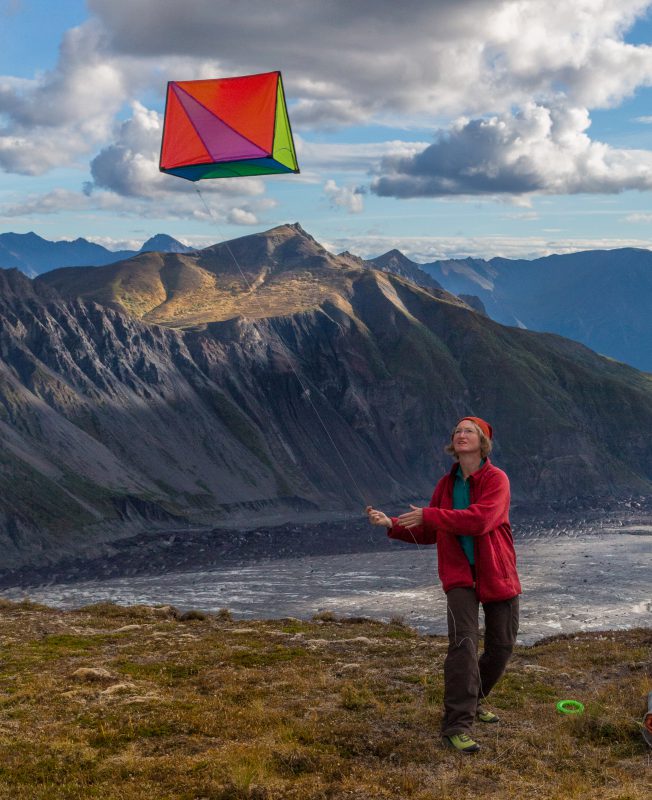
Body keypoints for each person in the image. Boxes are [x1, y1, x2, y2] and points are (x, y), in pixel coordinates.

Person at [367, 416, 521, 754]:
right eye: (457, 431)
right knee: (463, 646)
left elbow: (480, 520)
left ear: (482, 442)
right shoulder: (445, 485)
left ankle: (475, 700)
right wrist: (391, 523)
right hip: (460, 577)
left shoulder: (497, 479)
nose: (461, 434)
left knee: (502, 647)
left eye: (468, 431)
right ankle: (456, 725)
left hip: (497, 572)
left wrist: (430, 515)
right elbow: (429, 530)